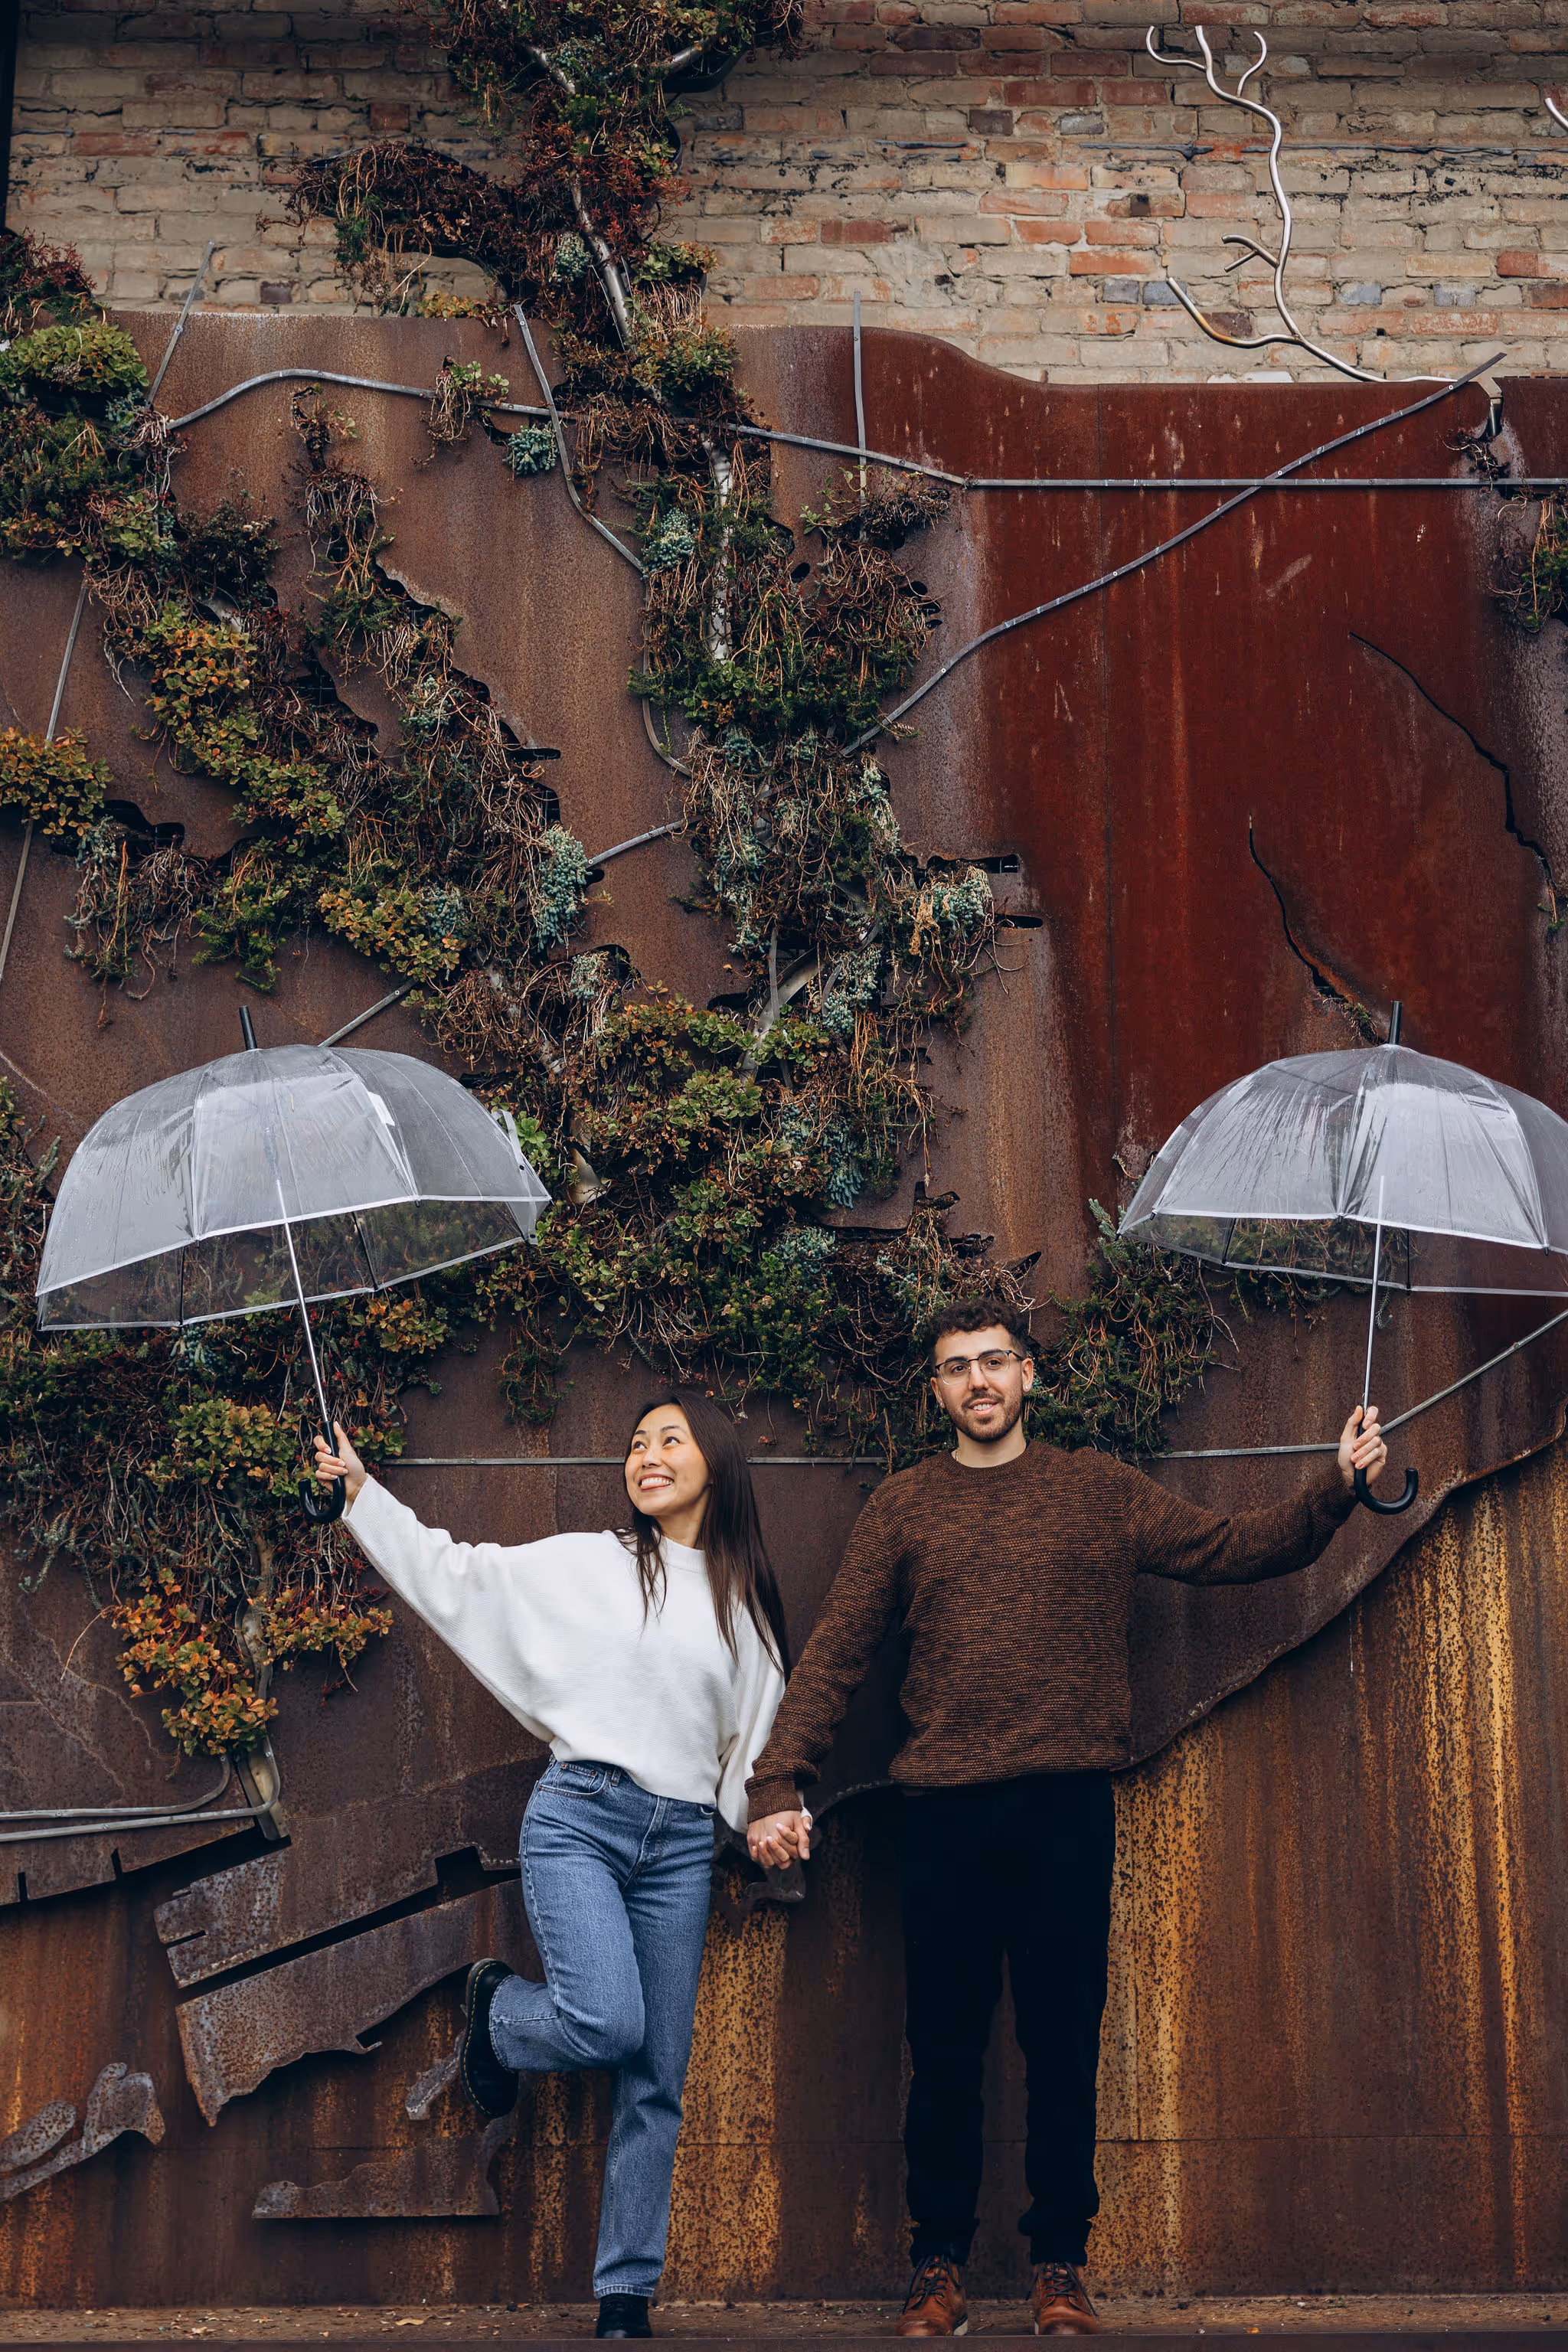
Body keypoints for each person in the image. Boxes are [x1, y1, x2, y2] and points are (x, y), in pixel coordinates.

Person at [744, 1296, 1389, 2340]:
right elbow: (835, 1657)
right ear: (938, 1391)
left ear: (1031, 1375)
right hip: (943, 1815)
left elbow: (1235, 1548)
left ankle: (1059, 2266)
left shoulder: (1095, 1489)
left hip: (1065, 1808)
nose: (979, 1382)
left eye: (995, 1362)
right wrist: (778, 1782)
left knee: (1061, 2045)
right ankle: (937, 2266)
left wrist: (1338, 1488)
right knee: (944, 2052)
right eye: (958, 1368)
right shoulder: (905, 1508)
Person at [312, 1391, 789, 2342]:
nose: (645, 1456)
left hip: (684, 1841)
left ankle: (624, 2296)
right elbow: (459, 1576)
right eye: (635, 1443)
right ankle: (497, 2018)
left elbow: (755, 1756)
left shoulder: (744, 1602)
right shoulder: (591, 1563)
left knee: (657, 2073)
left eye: (669, 1439)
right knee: (607, 2023)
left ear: (715, 1461)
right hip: (580, 1816)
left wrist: (776, 1819)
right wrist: (363, 1494)